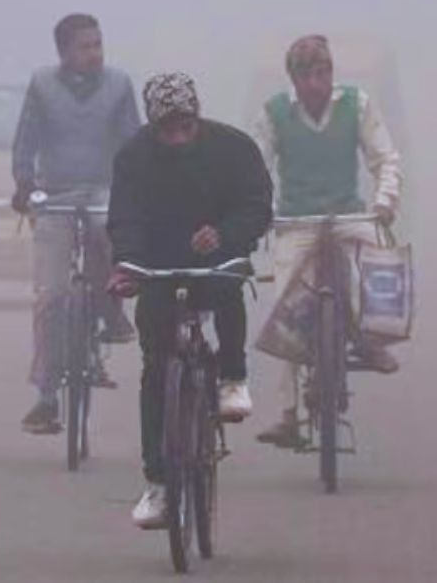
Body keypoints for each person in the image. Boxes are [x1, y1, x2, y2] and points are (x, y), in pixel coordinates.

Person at [105, 73, 272, 528]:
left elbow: (257, 204)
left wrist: (226, 236)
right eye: (168, 129)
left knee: (227, 288)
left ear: (197, 118)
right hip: (157, 266)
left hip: (216, 258)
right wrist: (126, 265)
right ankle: (158, 483)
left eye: (186, 127)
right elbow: (124, 217)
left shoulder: (233, 148)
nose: (178, 138)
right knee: (156, 368)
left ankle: (233, 378)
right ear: (154, 126)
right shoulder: (134, 157)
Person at [249, 35, 404, 447]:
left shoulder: (357, 105)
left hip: (349, 216)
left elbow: (385, 157)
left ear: (332, 74)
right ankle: (287, 414)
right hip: (296, 222)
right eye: (307, 76)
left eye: (323, 73)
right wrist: (259, 210)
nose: (316, 84)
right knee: (286, 309)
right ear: (293, 80)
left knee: (374, 270)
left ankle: (372, 340)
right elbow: (256, 170)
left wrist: (385, 200)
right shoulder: (275, 114)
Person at [11, 13, 141, 433]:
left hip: (103, 192)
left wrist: (137, 186)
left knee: (111, 235)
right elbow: (26, 140)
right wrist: (24, 183)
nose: (95, 54)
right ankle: (47, 396)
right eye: (85, 46)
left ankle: (111, 309)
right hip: (56, 198)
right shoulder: (43, 85)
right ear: (64, 52)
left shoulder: (119, 85)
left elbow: (132, 142)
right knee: (51, 296)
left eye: (98, 44)